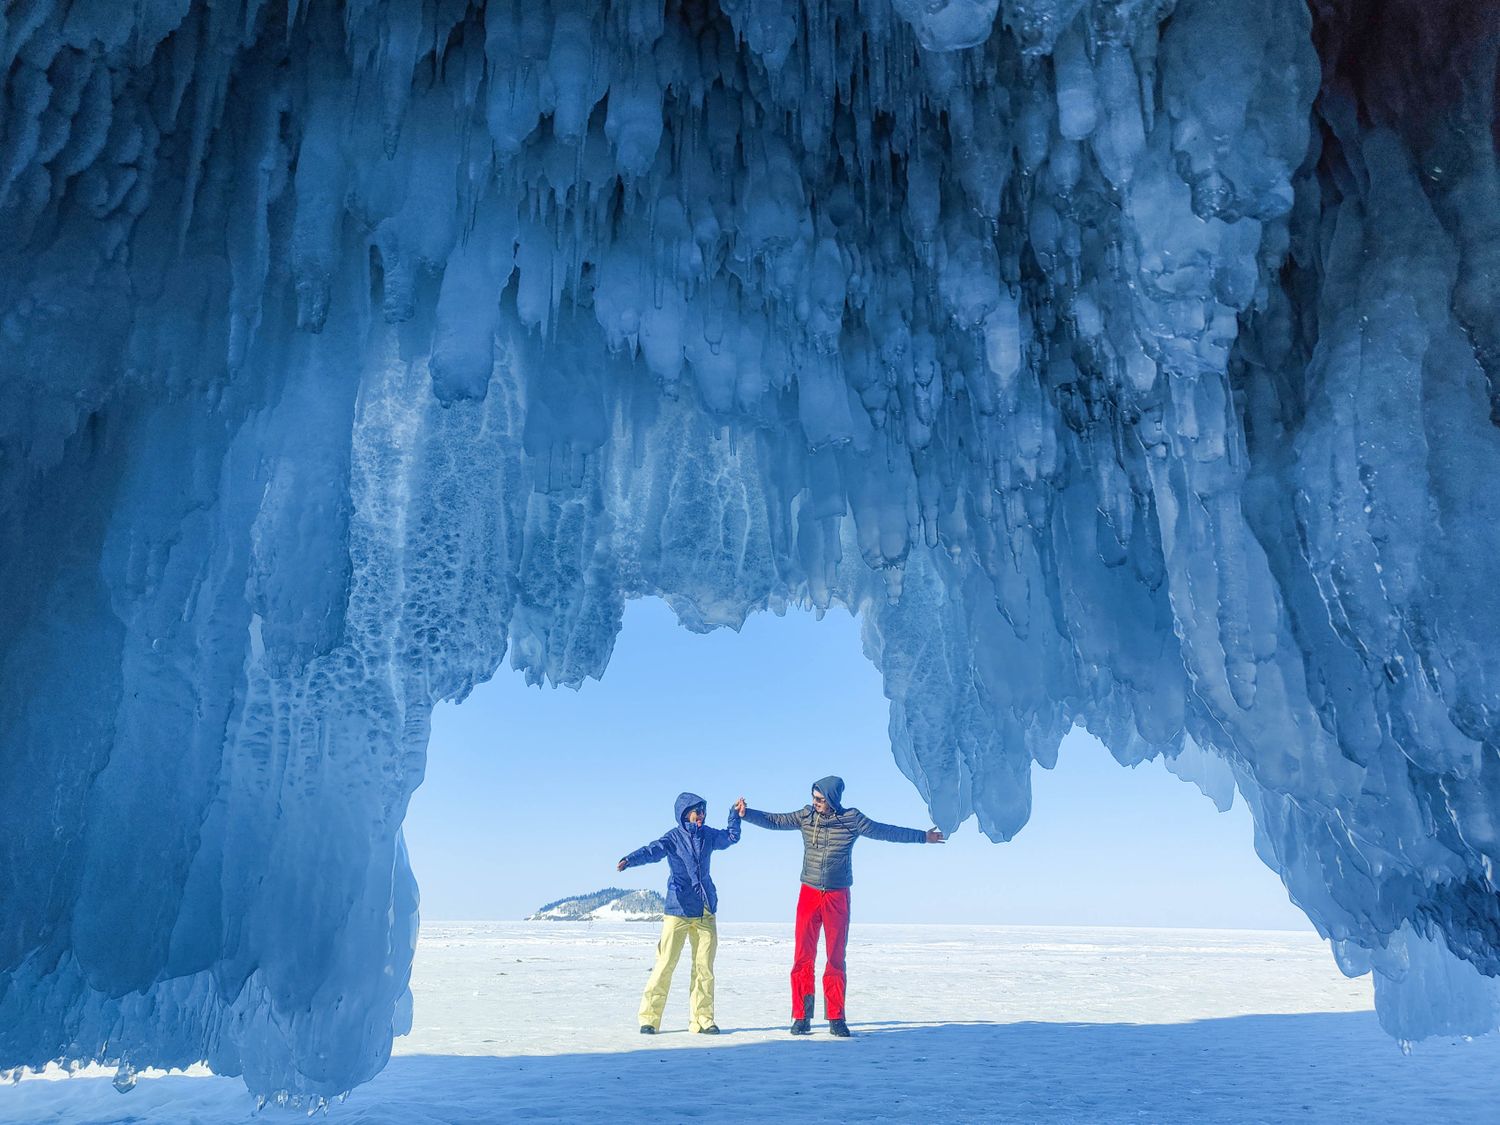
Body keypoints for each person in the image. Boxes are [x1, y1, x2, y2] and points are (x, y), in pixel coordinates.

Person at [742, 776, 943, 1037]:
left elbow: (885, 831)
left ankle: (836, 1017)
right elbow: (775, 821)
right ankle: (801, 1016)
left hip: (837, 896)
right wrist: (747, 814)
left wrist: (922, 837)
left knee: (835, 959)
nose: (815, 804)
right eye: (814, 798)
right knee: (803, 957)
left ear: (832, 799)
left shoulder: (851, 819)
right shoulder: (805, 816)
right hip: (809, 894)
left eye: (820, 799)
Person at [617, 792, 744, 1034]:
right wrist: (630, 860)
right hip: (678, 908)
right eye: (698, 812)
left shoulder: (708, 835)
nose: (702, 816)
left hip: (705, 909)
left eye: (704, 812)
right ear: (686, 813)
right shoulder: (673, 838)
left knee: (704, 967)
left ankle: (702, 1019)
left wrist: (733, 815)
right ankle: (649, 1019)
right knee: (665, 964)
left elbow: (730, 837)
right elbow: (652, 851)